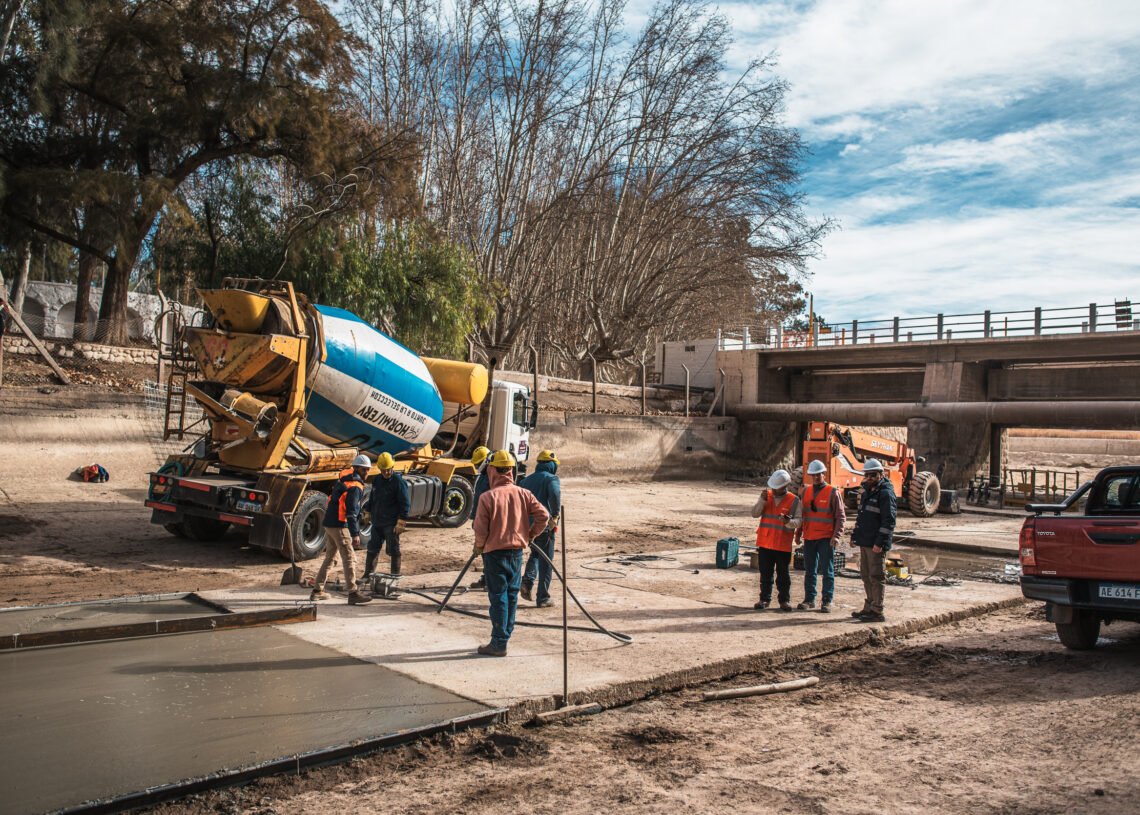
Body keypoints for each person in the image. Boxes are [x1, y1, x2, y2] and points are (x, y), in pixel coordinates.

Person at [471, 449, 549, 656]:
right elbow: (544, 515)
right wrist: (530, 534)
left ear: (493, 470)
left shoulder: (488, 497)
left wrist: (479, 545)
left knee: (498, 596)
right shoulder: (523, 493)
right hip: (516, 553)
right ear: (511, 471)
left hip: (495, 553)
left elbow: (480, 528)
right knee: (512, 595)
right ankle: (505, 637)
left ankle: (498, 642)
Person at [312, 453, 372, 605]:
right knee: (349, 558)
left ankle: (317, 591)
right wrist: (355, 533)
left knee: (331, 557)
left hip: (329, 523)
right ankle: (353, 593)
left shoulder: (344, 480)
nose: (367, 473)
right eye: (364, 470)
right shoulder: (355, 487)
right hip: (339, 525)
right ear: (357, 468)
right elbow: (352, 512)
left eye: (368, 470)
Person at [795, 459, 846, 613]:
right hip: (810, 537)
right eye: (813, 475)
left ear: (824, 474)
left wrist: (836, 536)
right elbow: (803, 515)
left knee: (827, 570)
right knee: (810, 570)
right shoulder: (806, 491)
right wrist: (798, 534)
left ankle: (826, 601)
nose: (816, 477)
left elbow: (840, 516)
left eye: (819, 474)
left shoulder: (832, 492)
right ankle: (809, 599)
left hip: (826, 538)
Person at [850, 458, 896, 623]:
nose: (869, 478)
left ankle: (877, 610)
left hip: (875, 543)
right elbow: (862, 516)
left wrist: (880, 543)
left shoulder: (885, 493)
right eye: (867, 475)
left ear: (881, 474)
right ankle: (869, 606)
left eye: (873, 475)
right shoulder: (866, 491)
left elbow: (888, 521)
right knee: (866, 574)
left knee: (876, 576)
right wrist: (855, 535)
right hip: (865, 540)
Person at [751, 469, 802, 611]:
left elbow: (799, 521)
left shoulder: (794, 500)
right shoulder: (766, 496)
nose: (773, 490)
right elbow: (754, 513)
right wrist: (761, 501)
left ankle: (784, 600)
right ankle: (764, 599)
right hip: (765, 543)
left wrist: (788, 522)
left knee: (783, 575)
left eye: (776, 488)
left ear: (784, 487)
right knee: (765, 574)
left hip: (782, 545)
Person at [519, 450, 561, 607]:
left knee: (536, 553)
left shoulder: (526, 481)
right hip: (545, 525)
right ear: (552, 465)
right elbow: (555, 496)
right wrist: (555, 516)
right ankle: (543, 597)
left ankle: (527, 581)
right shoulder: (551, 479)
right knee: (546, 560)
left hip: (527, 527)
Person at [365, 452, 410, 578]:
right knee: (372, 549)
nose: (386, 472)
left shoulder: (398, 482)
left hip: (390, 523)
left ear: (393, 467)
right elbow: (373, 497)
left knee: (394, 550)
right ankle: (368, 575)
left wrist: (401, 521)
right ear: (379, 469)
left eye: (388, 470)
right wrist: (368, 511)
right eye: (383, 470)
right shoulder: (377, 480)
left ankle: (394, 576)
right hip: (377, 522)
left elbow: (405, 503)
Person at [468, 445, 491, 590]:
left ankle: (490, 580)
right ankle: (487, 578)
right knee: (485, 552)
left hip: (487, 522)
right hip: (480, 520)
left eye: (478, 464)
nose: (476, 467)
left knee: (489, 552)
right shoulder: (483, 476)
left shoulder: (490, 476)